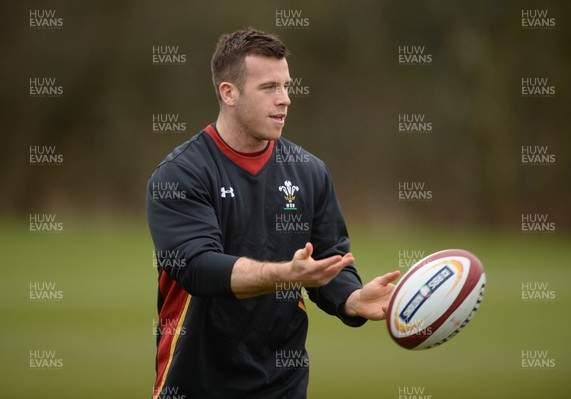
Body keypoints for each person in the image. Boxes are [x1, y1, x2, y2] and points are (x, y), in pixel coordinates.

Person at [147, 28, 400, 399]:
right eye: (269, 88)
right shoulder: (180, 174)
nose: (285, 100)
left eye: (286, 86)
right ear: (228, 93)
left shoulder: (309, 171)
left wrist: (352, 299)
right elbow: (199, 269)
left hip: (282, 387)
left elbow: (330, 260)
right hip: (198, 383)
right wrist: (286, 274)